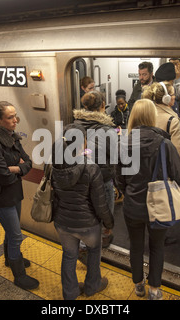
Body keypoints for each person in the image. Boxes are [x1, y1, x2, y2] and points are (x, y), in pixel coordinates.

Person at [116, 99, 180, 300]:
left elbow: (118, 179)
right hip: (160, 207)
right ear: (152, 117)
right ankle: (154, 289)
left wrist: (131, 191)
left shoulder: (123, 143)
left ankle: (138, 284)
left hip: (133, 207)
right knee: (157, 247)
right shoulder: (165, 145)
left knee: (136, 246)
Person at [52, 123, 114, 300]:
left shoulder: (54, 164)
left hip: (62, 222)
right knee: (94, 251)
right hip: (88, 225)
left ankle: (70, 293)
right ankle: (92, 286)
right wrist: (109, 223)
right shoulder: (90, 167)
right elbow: (100, 203)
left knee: (69, 256)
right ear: (81, 143)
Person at [0, 101, 38, 290]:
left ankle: (9, 259)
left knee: (11, 231)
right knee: (15, 236)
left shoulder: (12, 137)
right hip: (0, 198)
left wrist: (15, 168)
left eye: (15, 116)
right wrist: (18, 168)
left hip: (13, 194)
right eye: (10, 117)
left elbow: (29, 162)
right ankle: (19, 275)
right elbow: (4, 178)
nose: (15, 120)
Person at [73, 90, 117, 248]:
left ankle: (84, 245)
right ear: (103, 105)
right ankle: (96, 244)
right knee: (104, 214)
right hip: (102, 180)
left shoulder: (73, 126)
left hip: (80, 179)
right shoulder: (108, 130)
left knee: (87, 214)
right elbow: (114, 159)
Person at [142, 81, 180, 159]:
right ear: (166, 98)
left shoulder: (144, 115)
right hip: (163, 167)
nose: (175, 97)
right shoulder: (172, 120)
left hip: (146, 165)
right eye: (173, 94)